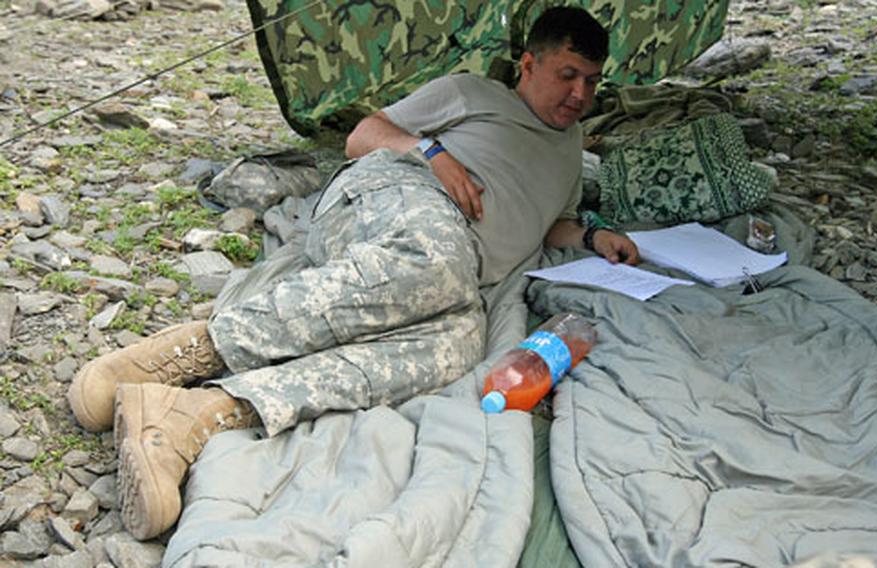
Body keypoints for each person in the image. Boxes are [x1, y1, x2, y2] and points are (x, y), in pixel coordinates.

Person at [67, 6, 640, 541]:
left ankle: (198, 413)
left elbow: (549, 225)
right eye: (568, 75)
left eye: (591, 81)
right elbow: (363, 137)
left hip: (456, 272)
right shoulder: (472, 94)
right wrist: (433, 154)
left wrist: (592, 236)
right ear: (530, 64)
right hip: (394, 196)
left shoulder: (570, 148)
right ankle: (191, 349)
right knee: (439, 264)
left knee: (461, 346)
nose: (580, 94)